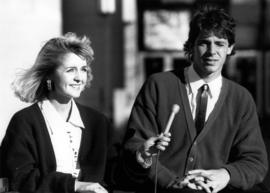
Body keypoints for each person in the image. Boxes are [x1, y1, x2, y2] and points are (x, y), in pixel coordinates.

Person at [120, 5, 268, 193]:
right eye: (204, 43)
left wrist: (226, 174)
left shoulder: (242, 99)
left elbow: (256, 162)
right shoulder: (158, 86)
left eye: (220, 43)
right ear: (191, 45)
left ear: (230, 48)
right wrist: (169, 180)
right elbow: (133, 146)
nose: (212, 51)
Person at [0, 32, 115, 193]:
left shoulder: (98, 122)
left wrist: (142, 158)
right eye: (70, 70)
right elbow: (20, 178)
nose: (79, 78)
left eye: (83, 70)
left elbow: (116, 176)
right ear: (49, 76)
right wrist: (73, 186)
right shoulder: (24, 122)